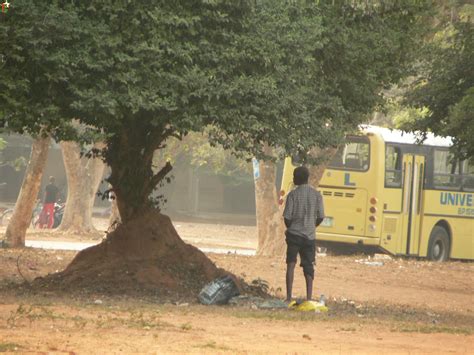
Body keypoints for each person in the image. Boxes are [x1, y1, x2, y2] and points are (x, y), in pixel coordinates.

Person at [283, 166, 325, 302]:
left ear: (297, 179)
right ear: (307, 178)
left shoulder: (292, 195)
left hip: (294, 235)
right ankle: (309, 297)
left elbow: (287, 217)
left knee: (291, 264)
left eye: (294, 177)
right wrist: (312, 226)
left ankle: (289, 296)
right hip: (309, 237)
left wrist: (291, 227)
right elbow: (321, 216)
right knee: (308, 266)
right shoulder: (317, 195)